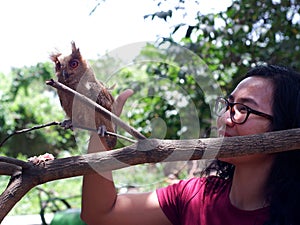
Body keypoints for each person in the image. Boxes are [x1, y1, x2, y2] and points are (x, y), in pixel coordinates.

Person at [80, 64, 300, 225]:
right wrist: (103, 129)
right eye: (228, 105)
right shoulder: (195, 196)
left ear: (285, 127)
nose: (225, 119)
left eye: (244, 109)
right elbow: (100, 214)